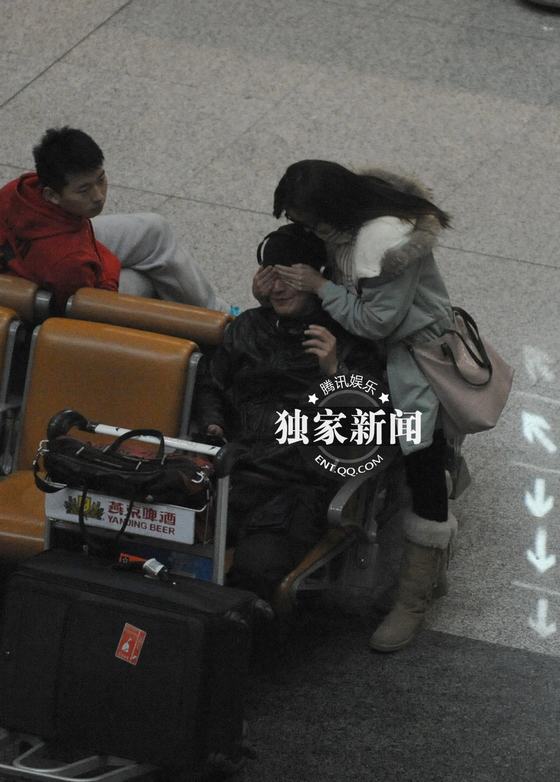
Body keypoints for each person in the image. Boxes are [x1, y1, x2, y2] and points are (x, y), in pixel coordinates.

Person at [269, 160, 458, 652]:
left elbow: (377, 322)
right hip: (375, 346)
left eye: (311, 222)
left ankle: (413, 600)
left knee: (421, 458)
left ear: (333, 211)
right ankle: (429, 574)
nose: (311, 232)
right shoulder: (348, 215)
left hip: (416, 357)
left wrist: (320, 287)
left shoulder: (386, 243)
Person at [195, 223, 383, 604]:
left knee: (256, 569)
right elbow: (211, 383)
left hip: (295, 489)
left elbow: (366, 433)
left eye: (289, 278)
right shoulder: (249, 327)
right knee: (169, 538)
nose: (278, 289)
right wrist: (213, 423)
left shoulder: (347, 342)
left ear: (314, 279)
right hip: (233, 474)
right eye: (271, 277)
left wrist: (336, 374)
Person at [0, 127, 229, 312]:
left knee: (155, 230)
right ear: (52, 195)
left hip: (53, 251)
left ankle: (217, 312)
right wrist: (109, 263)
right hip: (69, 295)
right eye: (83, 190)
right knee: (144, 280)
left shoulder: (19, 190)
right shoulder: (69, 263)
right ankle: (213, 329)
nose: (98, 196)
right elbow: (90, 306)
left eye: (101, 180)